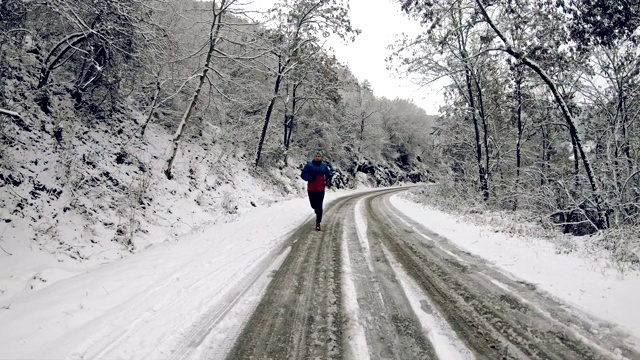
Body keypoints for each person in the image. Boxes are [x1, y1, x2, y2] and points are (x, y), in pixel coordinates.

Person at [300, 150, 333, 231]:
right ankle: (316, 209)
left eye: (319, 156)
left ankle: (318, 223)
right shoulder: (309, 165)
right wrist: (310, 178)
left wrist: (330, 175)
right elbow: (303, 175)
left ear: (321, 157)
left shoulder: (324, 166)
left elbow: (329, 173)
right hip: (311, 189)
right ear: (314, 157)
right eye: (316, 156)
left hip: (321, 189)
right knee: (313, 205)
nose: (317, 157)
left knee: (319, 206)